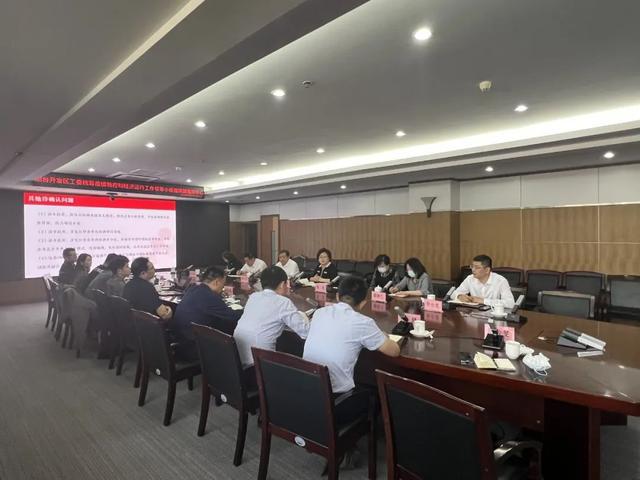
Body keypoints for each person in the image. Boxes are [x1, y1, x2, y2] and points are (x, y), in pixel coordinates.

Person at [303, 276, 400, 425]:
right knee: (374, 392)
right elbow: (394, 351)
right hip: (337, 400)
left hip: (307, 389)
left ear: (337, 296)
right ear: (363, 303)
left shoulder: (319, 313)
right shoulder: (363, 322)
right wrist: (383, 336)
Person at [234, 266, 309, 367]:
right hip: (259, 365)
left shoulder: (253, 296)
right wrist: (305, 318)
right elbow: (305, 332)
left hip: (238, 358)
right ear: (282, 284)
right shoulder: (283, 302)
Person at [172, 266, 243, 361]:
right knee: (231, 328)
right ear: (217, 282)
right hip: (194, 348)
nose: (223, 287)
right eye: (223, 284)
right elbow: (232, 316)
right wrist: (247, 310)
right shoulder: (209, 296)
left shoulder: (193, 289)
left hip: (181, 342)